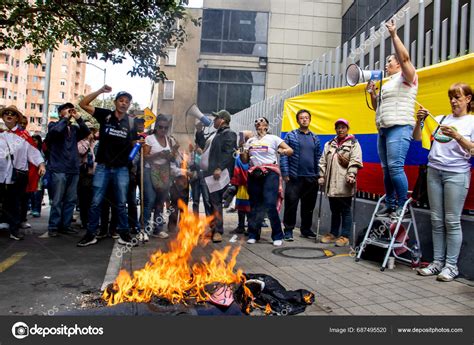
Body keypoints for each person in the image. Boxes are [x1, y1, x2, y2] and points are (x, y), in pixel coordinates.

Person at [413, 83, 473, 282]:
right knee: (436, 220)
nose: (453, 101)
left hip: (456, 174)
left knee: (452, 221)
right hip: (434, 172)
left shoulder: (471, 122)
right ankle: (437, 262)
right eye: (451, 98)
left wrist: (457, 136)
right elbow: (417, 138)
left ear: (468, 99)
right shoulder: (440, 119)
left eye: (457, 97)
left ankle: (451, 266)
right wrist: (419, 121)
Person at [367, 19, 418, 219]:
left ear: (398, 63)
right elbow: (375, 108)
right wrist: (373, 94)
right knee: (387, 169)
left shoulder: (408, 76)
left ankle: (402, 204)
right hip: (384, 129)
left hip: (400, 127)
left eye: (390, 61)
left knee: (396, 167)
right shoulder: (388, 83)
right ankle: (390, 204)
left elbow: (406, 59)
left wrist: (394, 35)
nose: (386, 64)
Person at [77, 85, 137, 247]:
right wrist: (99, 92)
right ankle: (90, 234)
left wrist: (140, 145)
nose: (124, 104)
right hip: (103, 166)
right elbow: (82, 104)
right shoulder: (105, 115)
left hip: (121, 168)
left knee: (121, 202)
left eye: (127, 102)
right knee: (96, 202)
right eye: (121, 100)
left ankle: (124, 234)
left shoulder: (131, 122)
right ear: (116, 102)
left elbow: (134, 144)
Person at [241, 117, 293, 246]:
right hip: (254, 173)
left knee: (270, 204)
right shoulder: (250, 141)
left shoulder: (273, 138)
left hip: (270, 173)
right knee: (255, 205)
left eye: (261, 121)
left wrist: (283, 151)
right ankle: (253, 234)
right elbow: (244, 161)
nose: (258, 123)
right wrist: (243, 148)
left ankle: (277, 236)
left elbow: (290, 150)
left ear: (267, 126)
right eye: (256, 122)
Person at [0, 106, 46, 240]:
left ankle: (14, 229)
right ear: (3, 117)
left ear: (16, 118)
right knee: (5, 201)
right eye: (6, 114)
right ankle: (5, 224)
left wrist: (41, 164)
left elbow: (33, 152)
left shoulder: (24, 135)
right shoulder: (2, 135)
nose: (9, 115)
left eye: (12, 114)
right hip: (2, 175)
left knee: (15, 202)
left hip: (18, 174)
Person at [45, 103, 90, 237]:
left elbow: (86, 132)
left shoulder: (75, 129)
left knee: (70, 200)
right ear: (60, 113)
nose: (69, 111)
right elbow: (56, 132)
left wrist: (78, 118)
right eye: (66, 109)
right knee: (57, 199)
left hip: (73, 168)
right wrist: (64, 119)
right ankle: (53, 226)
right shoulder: (53, 125)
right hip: (58, 168)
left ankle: (65, 225)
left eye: (70, 109)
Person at [318, 119, 363, 247]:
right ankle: (333, 233)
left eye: (343, 127)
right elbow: (323, 161)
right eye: (338, 127)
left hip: (345, 182)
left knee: (345, 210)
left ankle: (345, 236)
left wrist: (351, 174)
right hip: (331, 183)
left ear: (347, 128)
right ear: (335, 129)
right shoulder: (329, 144)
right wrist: (321, 175)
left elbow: (356, 160)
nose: (340, 130)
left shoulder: (353, 143)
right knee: (334, 210)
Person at [280, 109, 321, 241]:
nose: (304, 119)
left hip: (311, 178)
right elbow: (284, 154)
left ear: (310, 120)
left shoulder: (315, 138)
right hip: (294, 177)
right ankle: (288, 230)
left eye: (306, 118)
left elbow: (319, 157)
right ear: (298, 120)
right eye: (302, 118)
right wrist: (285, 173)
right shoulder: (290, 136)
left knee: (308, 206)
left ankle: (306, 229)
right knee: (291, 205)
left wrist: (319, 175)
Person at [202, 110, 237, 243]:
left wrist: (219, 168)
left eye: (216, 118)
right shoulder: (216, 133)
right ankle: (213, 229)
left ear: (222, 119)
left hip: (218, 174)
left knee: (216, 202)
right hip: (211, 173)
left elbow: (228, 153)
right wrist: (200, 132)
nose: (214, 120)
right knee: (211, 202)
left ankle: (218, 231)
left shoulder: (229, 134)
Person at [142, 115, 178, 238]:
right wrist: (159, 154)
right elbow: (145, 157)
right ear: (156, 127)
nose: (163, 130)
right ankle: (144, 230)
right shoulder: (150, 139)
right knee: (150, 200)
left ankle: (158, 229)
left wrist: (171, 154)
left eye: (165, 128)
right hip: (149, 170)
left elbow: (173, 158)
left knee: (160, 202)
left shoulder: (169, 140)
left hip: (164, 172)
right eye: (160, 127)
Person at [77, 122, 97, 229]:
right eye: (88, 130)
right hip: (84, 174)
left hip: (95, 174)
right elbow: (81, 151)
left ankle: (92, 220)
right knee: (84, 199)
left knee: (93, 200)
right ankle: (85, 221)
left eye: (91, 130)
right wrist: (88, 142)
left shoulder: (95, 143)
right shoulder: (81, 142)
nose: (90, 132)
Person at [189, 122, 212, 216]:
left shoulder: (206, 151)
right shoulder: (192, 152)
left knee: (207, 200)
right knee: (195, 201)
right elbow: (189, 164)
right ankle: (195, 220)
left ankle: (209, 221)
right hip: (195, 178)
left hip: (205, 178)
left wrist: (201, 154)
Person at [29, 134, 45, 218]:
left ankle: (36, 209)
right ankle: (33, 208)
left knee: (38, 193)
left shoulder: (40, 150)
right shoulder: (29, 149)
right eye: (33, 140)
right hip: (30, 174)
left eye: (35, 140)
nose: (34, 142)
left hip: (39, 175)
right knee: (32, 193)